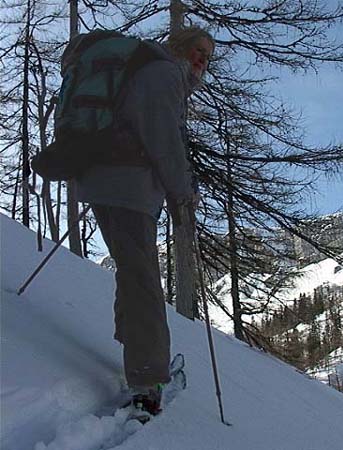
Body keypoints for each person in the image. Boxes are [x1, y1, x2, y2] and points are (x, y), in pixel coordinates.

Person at [75, 27, 215, 414]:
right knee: (144, 281)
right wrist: (182, 193)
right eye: (198, 50)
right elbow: (163, 139)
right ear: (180, 48)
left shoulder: (150, 71)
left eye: (208, 56)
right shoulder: (165, 73)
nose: (202, 60)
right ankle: (146, 378)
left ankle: (135, 351)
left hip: (106, 180)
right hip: (128, 186)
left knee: (134, 271)